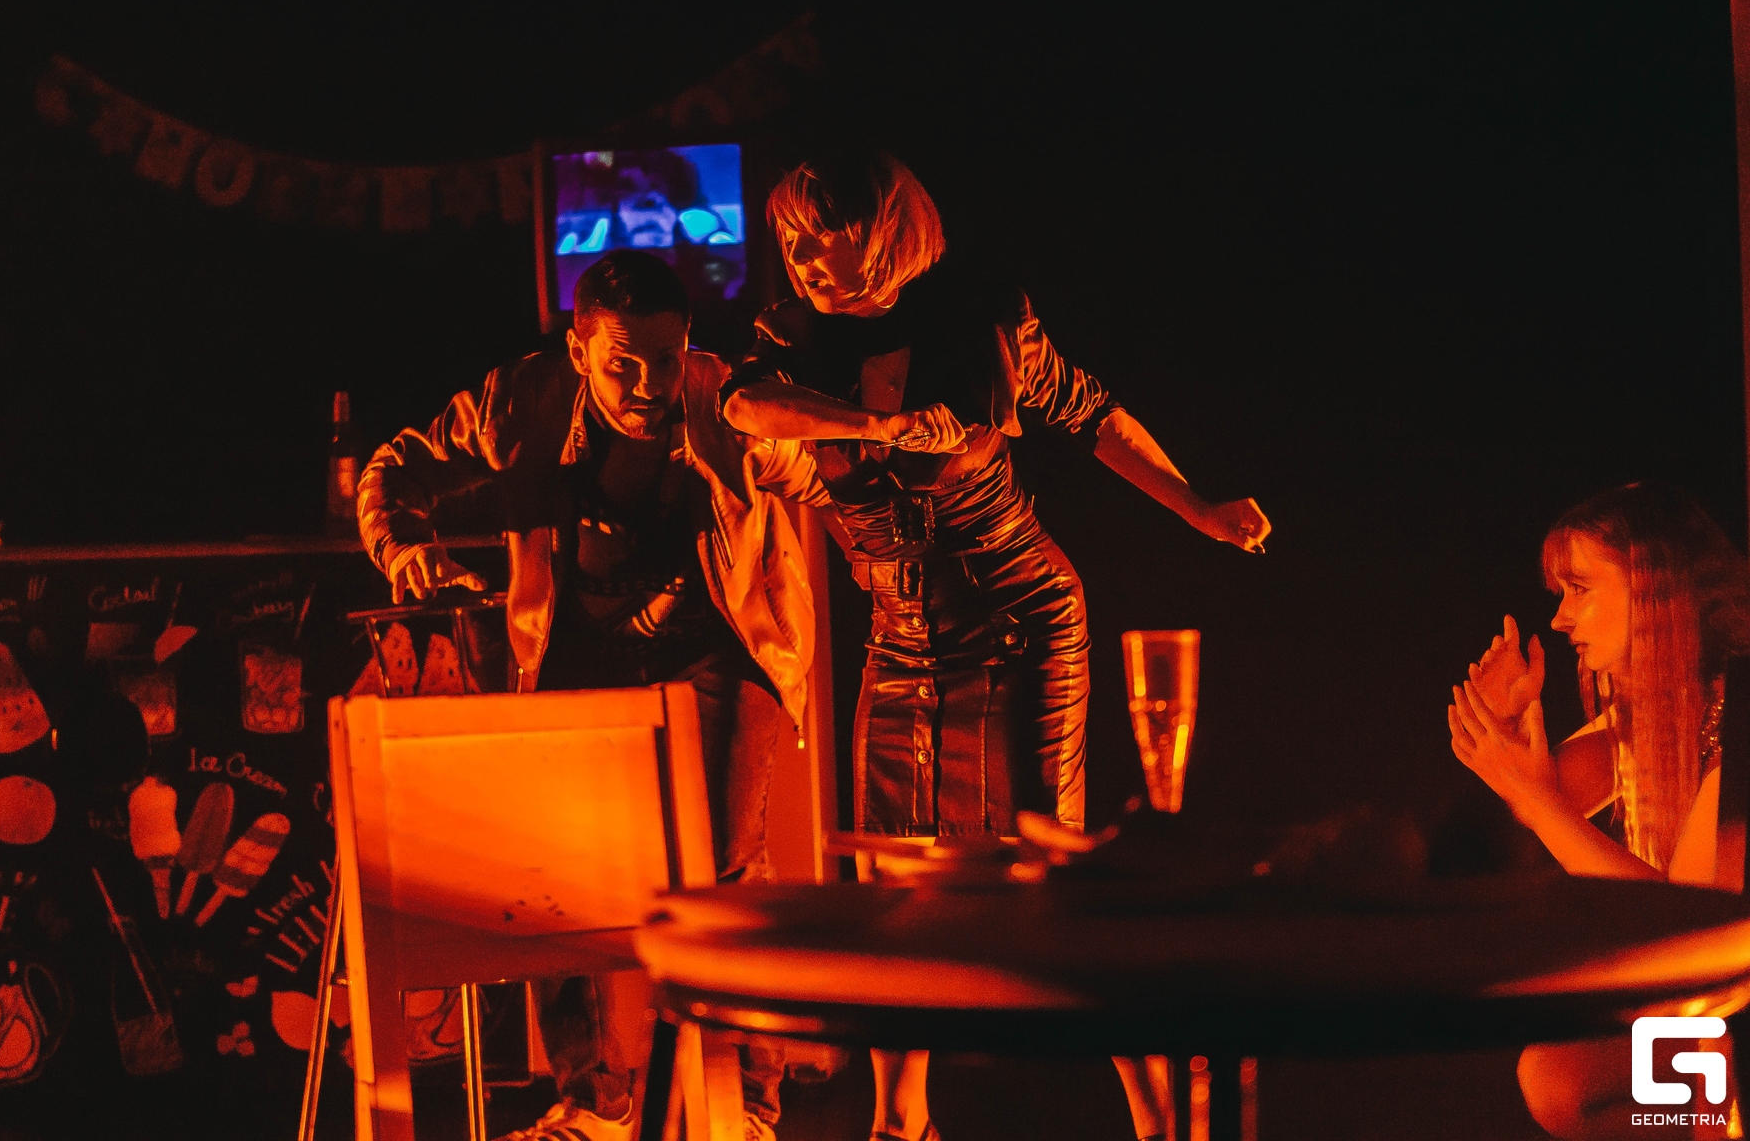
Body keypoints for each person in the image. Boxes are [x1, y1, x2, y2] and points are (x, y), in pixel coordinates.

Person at [720, 148, 1271, 1141]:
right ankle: (901, 1124)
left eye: (827, 241)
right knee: (896, 885)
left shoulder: (982, 319)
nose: (803, 260)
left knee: (1049, 876)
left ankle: (1162, 1113)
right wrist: (879, 428)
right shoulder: (791, 338)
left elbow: (1092, 414)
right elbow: (744, 407)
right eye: (793, 241)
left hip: (1020, 618)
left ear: (889, 238)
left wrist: (1197, 506)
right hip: (902, 636)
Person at [357, 249, 826, 1141]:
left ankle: (749, 1106)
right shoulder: (517, 400)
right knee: (559, 871)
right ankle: (593, 1098)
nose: (649, 387)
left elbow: (826, 470)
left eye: (666, 359)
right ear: (578, 353)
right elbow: (395, 468)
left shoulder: (725, 400)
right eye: (623, 365)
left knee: (725, 862)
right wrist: (403, 546)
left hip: (721, 646)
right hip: (581, 653)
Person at [1447, 481, 1750, 1140]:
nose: (1560, 619)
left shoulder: (1740, 714)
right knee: (1561, 1073)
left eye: (1579, 589)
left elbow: (1698, 932)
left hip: (1729, 1013)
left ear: (1654, 588)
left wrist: (1537, 801)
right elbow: (1536, 812)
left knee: (1579, 1073)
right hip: (1709, 1021)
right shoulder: (1649, 715)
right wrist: (1503, 735)